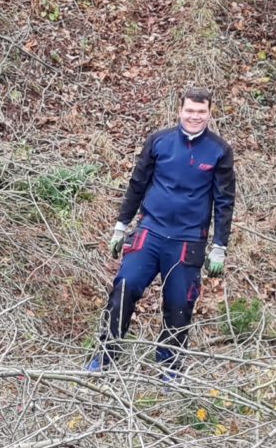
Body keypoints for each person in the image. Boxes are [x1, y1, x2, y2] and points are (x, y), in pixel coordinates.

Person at [89, 86, 236, 376]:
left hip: (188, 240)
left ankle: (170, 364)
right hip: (150, 233)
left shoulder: (219, 151)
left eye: (201, 112)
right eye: (190, 111)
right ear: (180, 110)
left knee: (180, 303)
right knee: (124, 287)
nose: (195, 116)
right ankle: (106, 355)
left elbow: (224, 201)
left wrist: (220, 245)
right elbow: (138, 183)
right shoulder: (159, 141)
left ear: (210, 113)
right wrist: (121, 226)